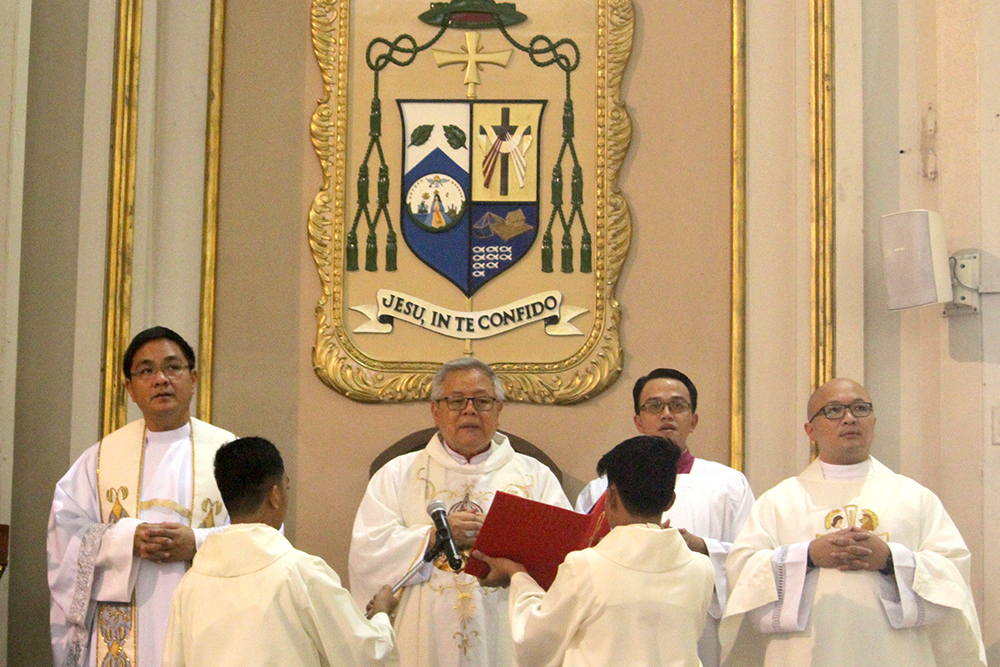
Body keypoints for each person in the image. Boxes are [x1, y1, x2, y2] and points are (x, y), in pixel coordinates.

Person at [721, 378, 987, 666]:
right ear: (810, 430)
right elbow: (742, 572)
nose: (849, 418)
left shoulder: (914, 497)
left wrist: (888, 559)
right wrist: (808, 556)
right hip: (804, 654)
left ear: (873, 420)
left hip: (894, 654)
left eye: (860, 409)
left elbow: (953, 573)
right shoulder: (779, 501)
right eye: (834, 410)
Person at [349, 358, 571, 667]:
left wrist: (501, 538)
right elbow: (366, 554)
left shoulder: (536, 477)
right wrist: (432, 537)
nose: (469, 410)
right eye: (456, 401)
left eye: (481, 401)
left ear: (498, 409)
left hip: (503, 631)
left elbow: (564, 560)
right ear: (435, 410)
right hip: (424, 634)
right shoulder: (397, 474)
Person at [47, 326, 236, 667]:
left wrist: (196, 542)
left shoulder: (230, 454)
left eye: (172, 367)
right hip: (121, 634)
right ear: (130, 389)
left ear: (193, 378)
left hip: (206, 622)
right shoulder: (99, 461)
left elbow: (262, 537)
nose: (161, 379)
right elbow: (65, 537)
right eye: (146, 370)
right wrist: (126, 540)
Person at [475, 435, 714, 666]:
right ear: (670, 500)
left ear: (610, 497)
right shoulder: (701, 568)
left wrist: (517, 575)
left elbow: (534, 644)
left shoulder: (586, 566)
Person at [162, 437, 399, 666]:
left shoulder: (191, 583)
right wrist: (381, 613)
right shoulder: (300, 573)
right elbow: (365, 654)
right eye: (286, 486)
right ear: (275, 496)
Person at [574, 368, 754, 666]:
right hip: (619, 628)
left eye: (678, 406)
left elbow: (752, 559)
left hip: (697, 630)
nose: (666, 414)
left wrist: (703, 547)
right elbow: (580, 552)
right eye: (654, 406)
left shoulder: (728, 484)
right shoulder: (603, 489)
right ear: (638, 421)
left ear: (693, 420)